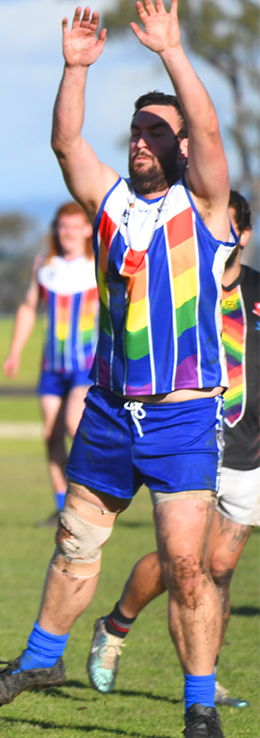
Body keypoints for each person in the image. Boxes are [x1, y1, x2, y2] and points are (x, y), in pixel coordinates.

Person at [0, 0, 238, 738]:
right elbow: (65, 144)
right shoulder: (110, 202)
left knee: (186, 566)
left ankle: (198, 707)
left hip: (184, 410)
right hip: (112, 409)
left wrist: (172, 52)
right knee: (75, 541)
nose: (143, 142)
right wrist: (75, 69)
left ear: (184, 147)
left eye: (159, 132)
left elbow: (212, 129)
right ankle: (38, 662)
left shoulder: (209, 205)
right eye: (138, 132)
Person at [87, 191, 257, 707]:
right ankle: (116, 627)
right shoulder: (177, 289)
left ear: (241, 237)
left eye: (221, 227)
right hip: (191, 438)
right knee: (186, 564)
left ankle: (209, 672)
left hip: (249, 447)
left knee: (218, 568)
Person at [2, 202, 98, 525]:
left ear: (87, 229)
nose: (67, 233)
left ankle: (93, 495)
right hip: (51, 367)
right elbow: (29, 308)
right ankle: (63, 506)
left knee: (74, 423)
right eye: (62, 226)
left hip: (86, 364)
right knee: (50, 435)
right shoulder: (45, 265)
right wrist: (15, 351)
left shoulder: (97, 264)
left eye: (74, 226)